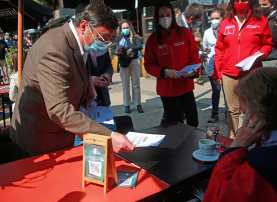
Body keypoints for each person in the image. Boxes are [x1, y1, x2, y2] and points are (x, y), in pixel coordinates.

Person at [10, 3, 136, 157]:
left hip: (59, 135)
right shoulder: (55, 50)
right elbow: (59, 110)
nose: (106, 45)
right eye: (103, 37)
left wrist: (85, 99)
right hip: (41, 141)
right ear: (84, 26)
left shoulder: (78, 43)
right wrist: (109, 136)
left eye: (110, 40)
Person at [203, 67, 277, 202]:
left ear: (259, 110)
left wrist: (236, 147)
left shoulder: (267, 160)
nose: (248, 121)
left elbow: (216, 196)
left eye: (246, 114)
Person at [212, 0, 273, 138]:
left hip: (251, 74)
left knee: (253, 110)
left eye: (244, 0)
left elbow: (268, 44)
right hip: (229, 73)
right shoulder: (226, 22)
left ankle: (255, 139)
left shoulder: (260, 20)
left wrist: (261, 53)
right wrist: (217, 74)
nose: (241, 3)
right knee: (232, 111)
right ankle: (232, 141)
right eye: (237, 0)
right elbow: (220, 49)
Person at [144, 0, 201, 127]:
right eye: (162, 16)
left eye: (168, 15)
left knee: (193, 121)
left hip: (185, 86)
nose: (166, 18)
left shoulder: (185, 33)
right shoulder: (153, 40)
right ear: (157, 18)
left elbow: (194, 57)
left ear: (172, 16)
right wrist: (164, 72)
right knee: (172, 125)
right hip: (167, 89)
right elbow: (148, 65)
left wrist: (193, 72)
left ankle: (191, 145)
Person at [202, 7, 226, 123]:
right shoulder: (207, 32)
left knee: (227, 92)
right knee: (216, 90)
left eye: (217, 18)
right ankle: (214, 113)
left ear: (223, 18)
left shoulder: (226, 30)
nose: (214, 20)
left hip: (225, 65)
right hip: (213, 66)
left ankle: (229, 113)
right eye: (212, 18)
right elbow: (205, 47)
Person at [115, 19, 144, 114]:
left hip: (134, 61)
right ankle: (127, 105)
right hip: (124, 63)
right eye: (124, 28)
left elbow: (140, 46)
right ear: (120, 29)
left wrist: (131, 49)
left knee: (136, 84)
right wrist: (118, 51)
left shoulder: (135, 37)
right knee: (125, 85)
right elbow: (115, 50)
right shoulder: (118, 38)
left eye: (127, 27)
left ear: (130, 28)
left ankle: (138, 103)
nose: (126, 29)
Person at [259, 0, 277, 67]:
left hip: (273, 59)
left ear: (272, 5)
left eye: (264, 5)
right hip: (260, 58)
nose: (261, 7)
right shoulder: (258, 19)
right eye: (259, 5)